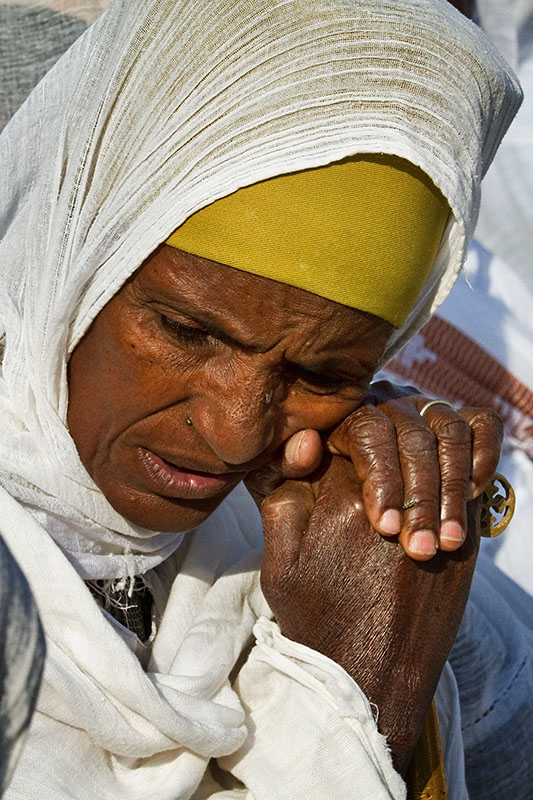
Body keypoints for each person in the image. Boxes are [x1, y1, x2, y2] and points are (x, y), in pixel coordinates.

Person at [0, 0, 530, 798]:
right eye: (185, 331)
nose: (232, 430)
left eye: (323, 376)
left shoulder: (330, 529)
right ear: (72, 251)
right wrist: (352, 697)